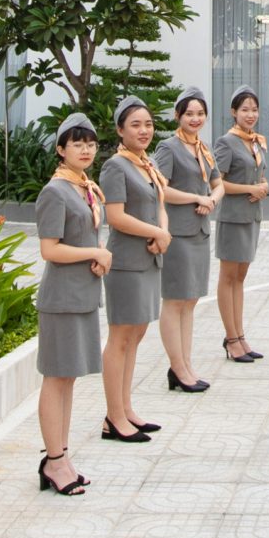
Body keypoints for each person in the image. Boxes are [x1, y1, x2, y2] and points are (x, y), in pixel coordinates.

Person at [33, 113, 112, 495]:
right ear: (61, 149)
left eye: (91, 143)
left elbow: (83, 239)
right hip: (62, 298)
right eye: (77, 143)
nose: (85, 149)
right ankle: (54, 461)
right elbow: (49, 249)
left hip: (82, 296)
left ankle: (60, 458)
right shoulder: (56, 191)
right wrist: (93, 253)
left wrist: (96, 255)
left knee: (68, 379)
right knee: (56, 378)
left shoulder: (85, 188)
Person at [99, 96, 171, 443]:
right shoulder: (116, 166)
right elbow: (115, 217)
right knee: (120, 338)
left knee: (136, 335)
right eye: (135, 125)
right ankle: (113, 417)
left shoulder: (147, 163)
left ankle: (125, 409)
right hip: (126, 262)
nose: (144, 131)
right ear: (120, 130)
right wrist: (155, 233)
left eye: (148, 124)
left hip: (149, 259)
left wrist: (162, 232)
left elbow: (160, 204)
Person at [154, 87, 223, 393]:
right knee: (175, 300)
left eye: (200, 114)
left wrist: (212, 199)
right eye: (189, 114)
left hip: (200, 231)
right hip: (178, 232)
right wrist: (197, 197)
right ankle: (178, 367)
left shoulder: (203, 148)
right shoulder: (168, 148)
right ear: (177, 115)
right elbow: (160, 188)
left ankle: (185, 364)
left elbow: (218, 183)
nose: (195, 119)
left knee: (191, 300)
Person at [214, 88, 269, 362]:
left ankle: (240, 336)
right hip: (233, 217)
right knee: (228, 277)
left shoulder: (255, 141)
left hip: (251, 217)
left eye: (254, 109)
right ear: (233, 112)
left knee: (240, 278)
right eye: (245, 110)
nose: (250, 115)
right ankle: (231, 339)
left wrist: (263, 186)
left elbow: (258, 174)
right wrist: (251, 188)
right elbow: (216, 182)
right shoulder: (227, 142)